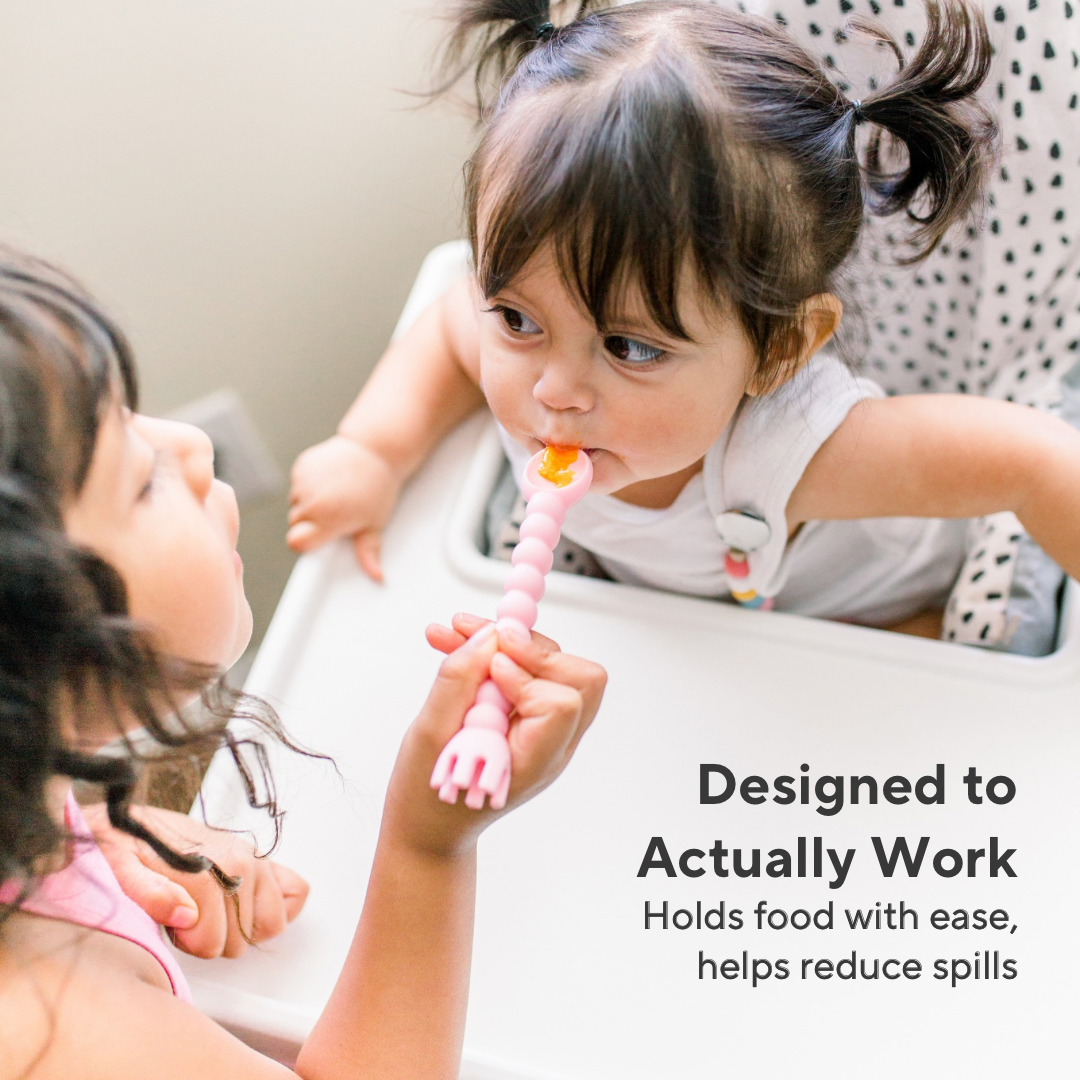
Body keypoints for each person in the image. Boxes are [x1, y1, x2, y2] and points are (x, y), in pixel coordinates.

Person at [287, 0, 1080, 640]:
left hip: (868, 611)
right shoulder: (521, 361)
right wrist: (373, 451)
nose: (554, 392)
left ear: (782, 349)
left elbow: (1034, 461)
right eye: (521, 321)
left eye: (628, 346)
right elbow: (449, 326)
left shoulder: (797, 451)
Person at [0, 250, 606, 1079]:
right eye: (141, 479)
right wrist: (428, 848)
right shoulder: (58, 1028)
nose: (191, 446)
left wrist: (96, 836)